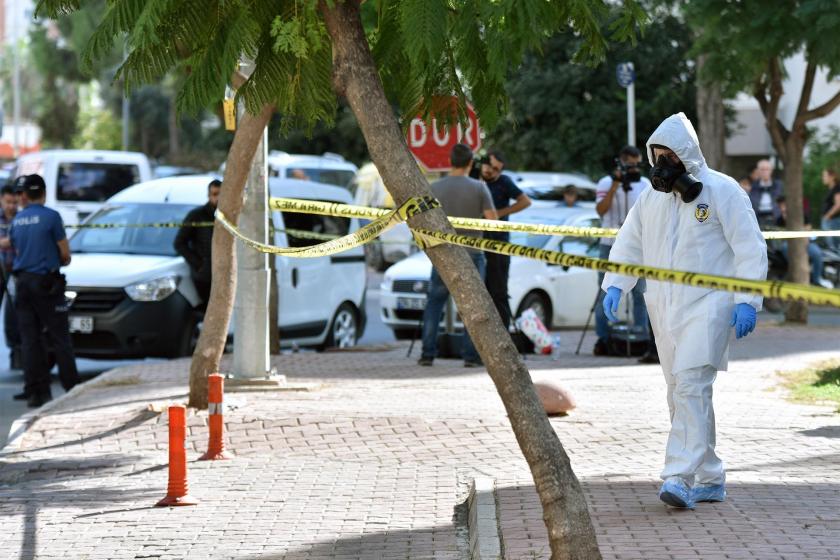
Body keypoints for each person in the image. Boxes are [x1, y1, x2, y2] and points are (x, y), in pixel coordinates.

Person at [602, 113, 767, 509]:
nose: (662, 164)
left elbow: (749, 246)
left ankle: (678, 476)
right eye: (656, 155)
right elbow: (629, 242)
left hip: (710, 304)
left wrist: (748, 299)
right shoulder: (650, 199)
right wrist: (615, 283)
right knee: (681, 394)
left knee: (692, 385)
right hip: (663, 306)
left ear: (687, 154)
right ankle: (710, 475)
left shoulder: (723, 191)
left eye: (669, 155)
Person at [419, 143, 497, 367]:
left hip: (443, 253)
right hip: (473, 253)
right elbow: (493, 222)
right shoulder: (479, 188)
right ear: (470, 163)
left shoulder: (435, 187)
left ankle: (427, 354)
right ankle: (470, 357)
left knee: (434, 304)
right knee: (474, 307)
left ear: (450, 161)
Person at [10, 174, 81, 407]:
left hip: (23, 284)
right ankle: (72, 388)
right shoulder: (52, 217)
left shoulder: (18, 219)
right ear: (43, 192)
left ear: (25, 195)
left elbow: (17, 251)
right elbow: (65, 253)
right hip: (47, 284)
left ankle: (35, 392)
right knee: (60, 337)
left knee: (30, 340)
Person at [593, 145, 651, 356]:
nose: (635, 169)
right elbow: (600, 210)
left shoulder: (645, 184)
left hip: (638, 247)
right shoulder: (606, 182)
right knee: (605, 291)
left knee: (640, 293)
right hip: (608, 245)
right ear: (621, 162)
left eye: (638, 165)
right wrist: (616, 184)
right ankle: (603, 339)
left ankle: (642, 338)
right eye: (630, 165)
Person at [480, 149, 531, 329]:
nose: (493, 172)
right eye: (491, 167)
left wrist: (500, 213)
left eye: (498, 170)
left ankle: (503, 331)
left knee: (499, 292)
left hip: (499, 244)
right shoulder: (474, 180)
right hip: (475, 244)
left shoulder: (504, 182)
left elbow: (525, 201)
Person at [174, 179, 221, 305]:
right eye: (215, 194)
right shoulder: (197, 215)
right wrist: (199, 264)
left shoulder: (229, 215)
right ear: (209, 195)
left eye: (221, 194)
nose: (218, 198)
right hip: (205, 276)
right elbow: (179, 243)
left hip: (225, 274)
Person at [775, 195, 830, 288]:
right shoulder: (779, 219)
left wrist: (804, 239)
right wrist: (785, 216)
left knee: (817, 253)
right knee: (785, 248)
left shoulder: (801, 214)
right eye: (781, 205)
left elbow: (808, 228)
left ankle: (817, 279)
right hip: (789, 244)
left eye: (784, 204)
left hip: (805, 242)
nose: (783, 207)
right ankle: (795, 272)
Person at [0, 185, 22, 369]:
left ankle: (17, 353)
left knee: (14, 313)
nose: (11, 206)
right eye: (8, 202)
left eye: (14, 202)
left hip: (17, 271)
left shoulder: (22, 219)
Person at [748, 159, 783, 227]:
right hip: (758, 218)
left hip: (775, 217)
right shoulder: (753, 186)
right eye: (762, 169)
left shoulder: (778, 185)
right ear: (758, 171)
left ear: (771, 170)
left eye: (767, 169)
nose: (765, 172)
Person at [820, 166, 840, 250]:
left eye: (825, 176)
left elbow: (838, 204)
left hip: (833, 221)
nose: (823, 178)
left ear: (832, 177)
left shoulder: (837, 188)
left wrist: (828, 216)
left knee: (834, 247)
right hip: (829, 221)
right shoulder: (831, 189)